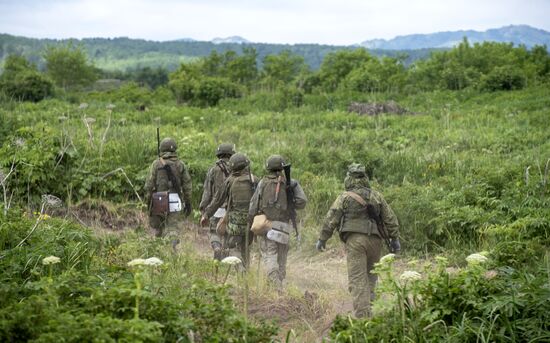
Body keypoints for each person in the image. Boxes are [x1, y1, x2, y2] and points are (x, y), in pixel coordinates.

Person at [316, 163, 400, 318]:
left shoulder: (344, 197)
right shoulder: (376, 196)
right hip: (376, 241)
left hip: (355, 242)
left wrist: (323, 238)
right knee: (371, 277)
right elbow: (390, 218)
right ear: (365, 178)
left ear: (349, 178)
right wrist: (395, 239)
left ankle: (363, 318)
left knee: (357, 278)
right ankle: (371, 311)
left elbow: (331, 219)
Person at [248, 155, 307, 288]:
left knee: (270, 254)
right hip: (284, 225)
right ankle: (279, 282)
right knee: (282, 256)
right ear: (282, 167)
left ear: (268, 167)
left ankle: (275, 286)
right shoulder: (291, 183)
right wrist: (291, 203)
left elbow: (253, 206)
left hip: (267, 225)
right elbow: (302, 201)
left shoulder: (262, 183)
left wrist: (251, 220)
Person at [201, 153, 257, 268]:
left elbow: (217, 200)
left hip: (234, 223)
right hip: (251, 222)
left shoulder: (229, 181)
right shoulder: (254, 180)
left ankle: (239, 268)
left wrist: (206, 215)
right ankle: (245, 274)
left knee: (233, 247)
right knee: (246, 248)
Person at [144, 137, 192, 250]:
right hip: (175, 199)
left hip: (158, 200)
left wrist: (148, 203)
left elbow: (149, 186)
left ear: (161, 149)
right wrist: (188, 203)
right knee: (173, 227)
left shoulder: (156, 164)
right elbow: (187, 186)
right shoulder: (181, 165)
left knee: (159, 229)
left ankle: (159, 252)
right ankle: (172, 247)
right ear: (175, 149)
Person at [199, 143, 235, 260]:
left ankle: (217, 248)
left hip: (216, 207)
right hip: (231, 208)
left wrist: (204, 209)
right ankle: (226, 255)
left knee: (214, 232)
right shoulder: (237, 169)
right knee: (228, 233)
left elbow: (207, 191)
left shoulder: (213, 170)